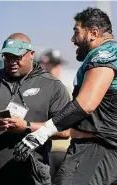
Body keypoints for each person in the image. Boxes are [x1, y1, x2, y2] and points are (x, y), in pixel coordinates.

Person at [12, 7, 117, 185]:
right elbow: (80, 124)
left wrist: (41, 133)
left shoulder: (104, 55)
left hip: (94, 153)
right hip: (104, 154)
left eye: (76, 32)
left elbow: (85, 104)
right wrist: (30, 128)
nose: (73, 39)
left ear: (93, 33)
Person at [0, 33, 70, 185]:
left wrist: (27, 127)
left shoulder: (52, 86)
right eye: (7, 57)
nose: (12, 62)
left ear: (31, 54)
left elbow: (65, 131)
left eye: (17, 57)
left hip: (33, 177)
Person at [37, 49, 71, 178]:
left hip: (65, 150)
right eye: (53, 65)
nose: (57, 69)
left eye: (58, 65)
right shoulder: (34, 91)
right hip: (43, 150)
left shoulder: (67, 90)